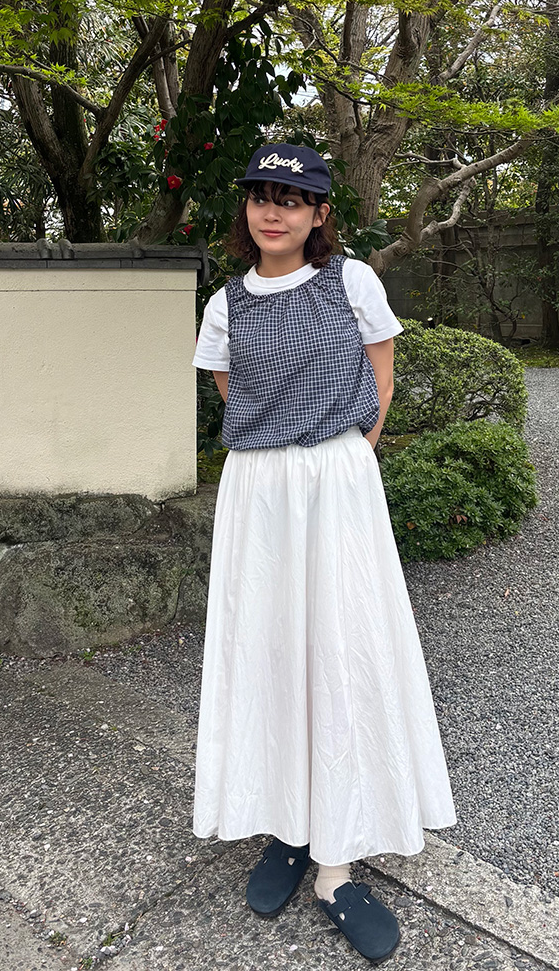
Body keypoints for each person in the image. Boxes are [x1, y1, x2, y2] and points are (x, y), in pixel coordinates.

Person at [191, 143, 456, 964]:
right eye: (260, 197)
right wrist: (279, 457)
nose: (273, 211)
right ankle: (289, 826)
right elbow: (234, 389)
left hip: (337, 483)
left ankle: (335, 864)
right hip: (259, 491)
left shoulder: (352, 282)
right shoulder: (227, 304)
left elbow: (381, 375)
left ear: (319, 213)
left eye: (291, 198)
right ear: (247, 210)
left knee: (341, 648)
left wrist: (348, 458)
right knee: (270, 650)